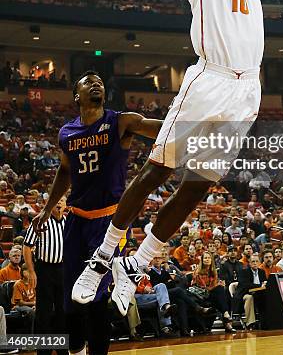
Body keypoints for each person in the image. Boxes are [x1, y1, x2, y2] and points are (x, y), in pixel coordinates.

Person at [72, 0, 263, 317]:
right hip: (210, 80)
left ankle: (136, 265)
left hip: (247, 89)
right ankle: (102, 256)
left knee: (198, 184)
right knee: (159, 168)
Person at [31, 71, 163, 355]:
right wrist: (46, 208)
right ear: (77, 96)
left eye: (100, 81)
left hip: (109, 221)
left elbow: (162, 129)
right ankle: (75, 349)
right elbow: (65, 171)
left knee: (97, 296)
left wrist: (196, 123)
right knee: (71, 298)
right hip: (77, 219)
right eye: (89, 81)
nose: (96, 83)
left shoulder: (121, 121)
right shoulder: (67, 132)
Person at [23, 196, 66, 355]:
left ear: (66, 204)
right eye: (57, 200)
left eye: (63, 200)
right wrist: (32, 271)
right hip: (45, 269)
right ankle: (43, 351)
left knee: (63, 311)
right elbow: (27, 247)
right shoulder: (40, 221)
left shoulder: (69, 222)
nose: (60, 203)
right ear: (50, 204)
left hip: (63, 269)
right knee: (44, 312)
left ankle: (62, 349)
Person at [191, 251, 235, 333]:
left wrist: (218, 285)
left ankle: (226, 316)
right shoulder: (198, 271)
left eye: (209, 258)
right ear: (202, 260)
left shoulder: (213, 271)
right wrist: (217, 285)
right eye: (205, 258)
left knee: (222, 292)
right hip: (200, 294)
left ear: (211, 260)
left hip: (211, 293)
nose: (207, 259)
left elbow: (213, 285)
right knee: (220, 290)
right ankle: (227, 321)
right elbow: (203, 287)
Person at [234, 253, 266, 330]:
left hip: (259, 294)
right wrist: (260, 286)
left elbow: (264, 283)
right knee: (249, 297)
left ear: (259, 263)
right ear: (249, 263)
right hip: (244, 294)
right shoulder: (243, 272)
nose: (255, 263)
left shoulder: (262, 272)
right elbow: (246, 285)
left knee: (267, 297)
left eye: (256, 261)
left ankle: (266, 322)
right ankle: (250, 323)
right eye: (253, 261)